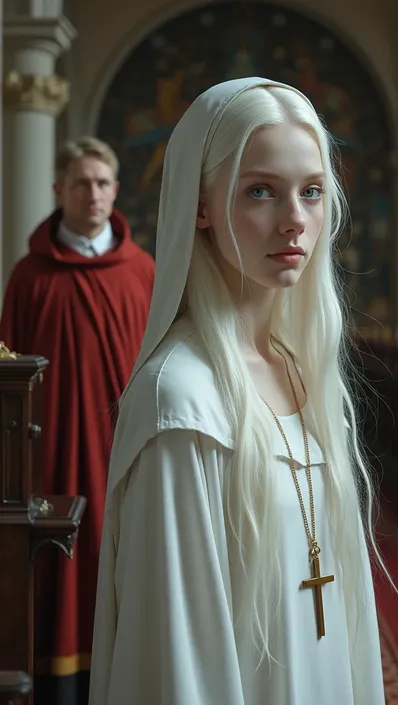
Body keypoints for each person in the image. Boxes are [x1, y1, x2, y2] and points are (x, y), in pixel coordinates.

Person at [89, 78, 387, 705]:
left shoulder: (300, 367)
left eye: (311, 192)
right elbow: (177, 659)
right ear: (200, 205)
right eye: (261, 192)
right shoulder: (181, 401)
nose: (294, 221)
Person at [0, 137, 155, 704]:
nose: (94, 193)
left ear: (116, 190)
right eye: (82, 183)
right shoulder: (29, 277)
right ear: (58, 191)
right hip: (51, 459)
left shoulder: (142, 272)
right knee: (56, 579)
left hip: (128, 455)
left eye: (103, 183)